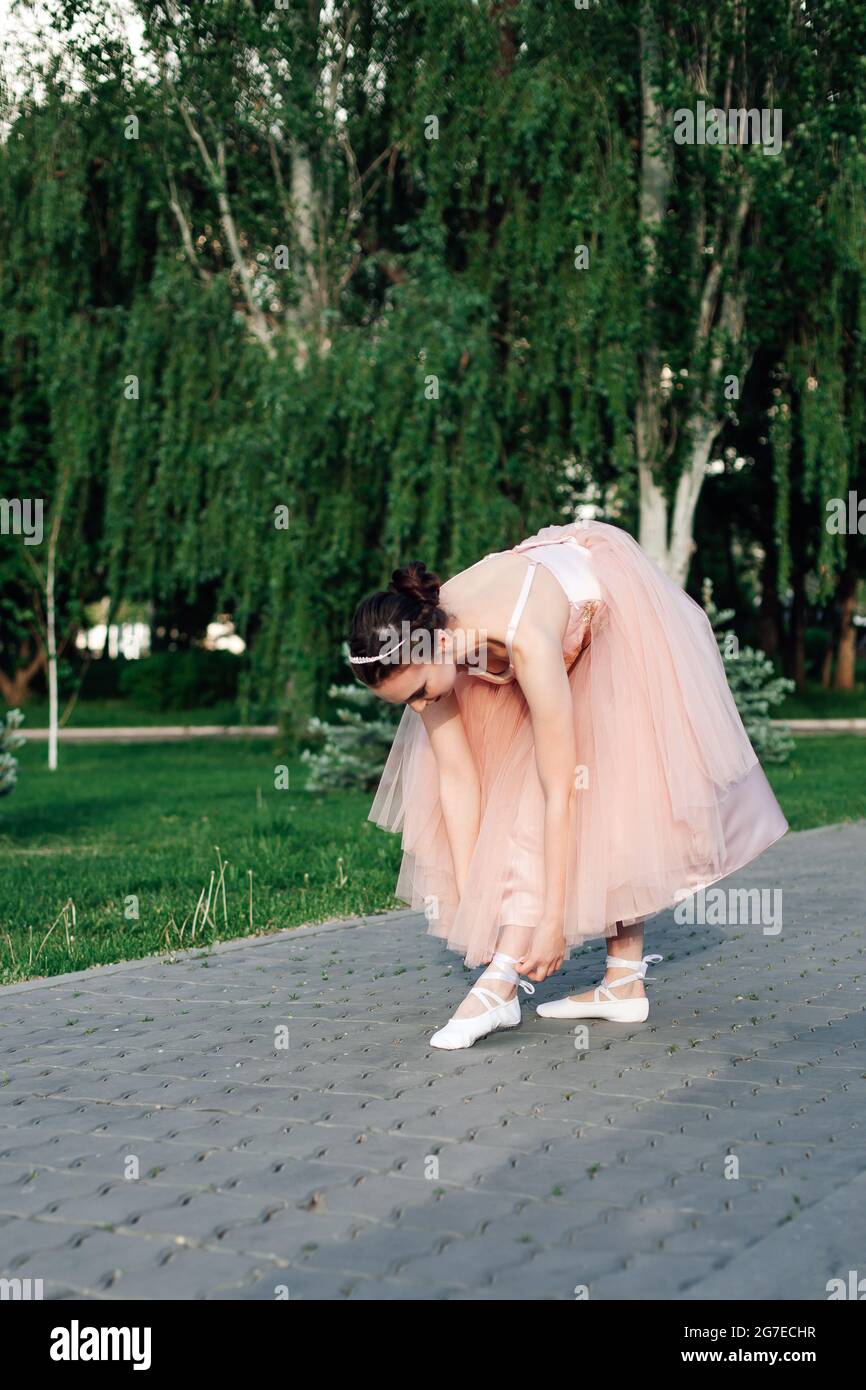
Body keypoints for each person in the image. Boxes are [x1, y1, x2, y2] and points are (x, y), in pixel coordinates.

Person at [347, 518, 789, 1050]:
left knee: (578, 789)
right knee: (502, 783)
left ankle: (500, 984)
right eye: (406, 703)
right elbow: (457, 778)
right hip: (523, 621)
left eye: (419, 692)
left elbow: (560, 790)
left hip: (612, 618)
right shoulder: (426, 633)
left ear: (439, 643)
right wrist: (473, 904)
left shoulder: (524, 637)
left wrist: (553, 921)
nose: (420, 708)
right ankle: (620, 984)